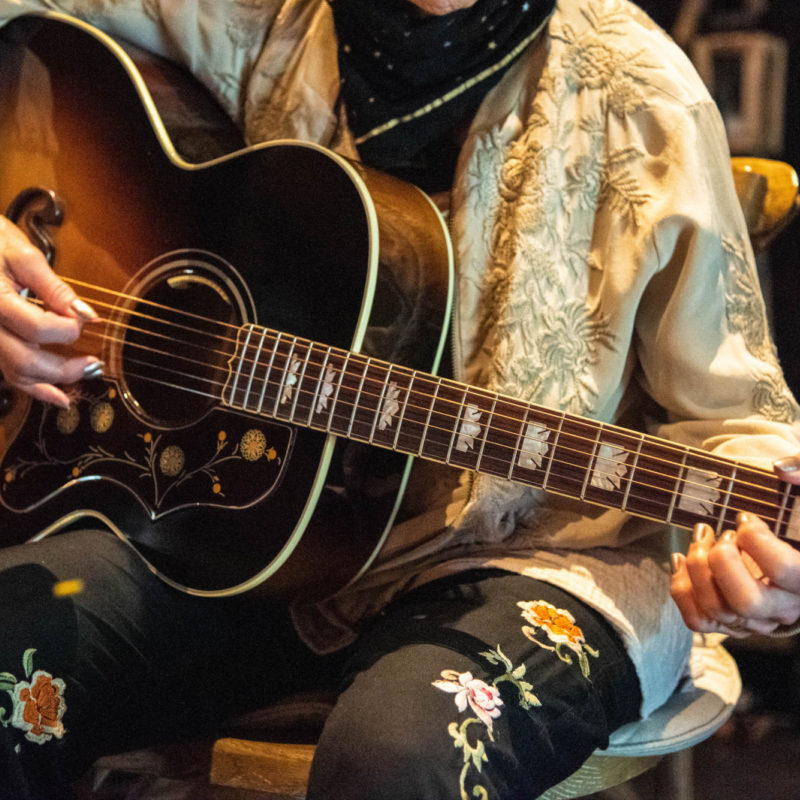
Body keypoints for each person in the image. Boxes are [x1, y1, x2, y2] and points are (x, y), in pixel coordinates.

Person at [0, 0, 799, 798]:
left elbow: (737, 418)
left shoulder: (641, 93)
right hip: (256, 539)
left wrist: (768, 558)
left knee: (400, 754)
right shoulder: (266, 16)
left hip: (544, 564)